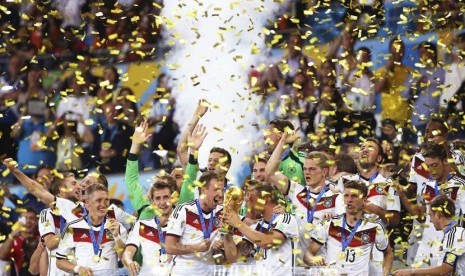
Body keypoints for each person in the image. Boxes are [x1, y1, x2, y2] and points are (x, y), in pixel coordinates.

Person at [266, 131, 338, 259]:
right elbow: (270, 172)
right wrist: (282, 142)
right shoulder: (296, 191)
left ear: (324, 171)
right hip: (297, 267)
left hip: (323, 266)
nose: (307, 173)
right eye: (305, 169)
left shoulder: (337, 197)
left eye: (312, 169)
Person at [336, 138, 400, 274]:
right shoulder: (345, 181)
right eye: (362, 147)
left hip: (374, 246)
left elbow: (395, 220)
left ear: (379, 157)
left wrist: (376, 210)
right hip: (346, 241)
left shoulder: (388, 184)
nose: (364, 149)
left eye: (370, 147)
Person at [396, 142, 465, 267]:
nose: (431, 171)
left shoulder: (460, 186)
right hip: (426, 248)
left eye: (434, 165)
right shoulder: (429, 186)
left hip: (449, 248)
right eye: (428, 166)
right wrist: (402, 196)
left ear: (445, 161)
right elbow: (421, 216)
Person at [304, 180, 393, 275]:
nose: (349, 200)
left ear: (364, 200)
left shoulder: (374, 227)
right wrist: (313, 260)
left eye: (354, 196)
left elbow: (389, 254)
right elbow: (307, 256)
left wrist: (385, 273)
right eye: (346, 195)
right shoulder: (330, 224)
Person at [222, 184, 299, 275]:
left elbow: (267, 242)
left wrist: (238, 223)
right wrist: (227, 230)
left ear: (265, 199)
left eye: (251, 200)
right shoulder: (257, 226)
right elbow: (233, 257)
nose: (247, 206)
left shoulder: (286, 219)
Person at [56, 183, 127, 275]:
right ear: (87, 203)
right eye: (98, 200)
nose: (103, 204)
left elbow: (125, 259)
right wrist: (78, 268)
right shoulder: (72, 227)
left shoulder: (117, 226)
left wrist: (117, 237)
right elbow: (60, 261)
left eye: (106, 200)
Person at [165, 171, 225, 275]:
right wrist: (197, 247)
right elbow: (169, 247)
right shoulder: (184, 210)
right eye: (216, 190)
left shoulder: (223, 213)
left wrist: (218, 250)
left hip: (209, 272)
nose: (220, 194)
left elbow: (221, 259)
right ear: (203, 190)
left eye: (222, 190)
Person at [393, 195, 465, 275]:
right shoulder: (451, 234)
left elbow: (445, 269)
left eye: (430, 215)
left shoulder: (455, 235)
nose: (430, 220)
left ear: (438, 214)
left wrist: (412, 272)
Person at [122, 181, 175, 276]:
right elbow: (128, 251)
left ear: (173, 199)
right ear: (152, 202)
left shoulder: (183, 224)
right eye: (158, 198)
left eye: (166, 197)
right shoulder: (141, 225)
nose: (162, 202)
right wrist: (129, 261)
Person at [38, 175, 79, 276]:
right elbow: (50, 243)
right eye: (74, 184)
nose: (79, 186)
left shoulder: (82, 213)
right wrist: (75, 228)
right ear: (62, 190)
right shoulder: (47, 213)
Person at [0, 207, 39, 275]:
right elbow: (2, 256)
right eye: (24, 218)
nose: (28, 221)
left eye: (31, 218)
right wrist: (11, 236)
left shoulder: (43, 237)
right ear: (19, 221)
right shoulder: (13, 240)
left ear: (37, 221)